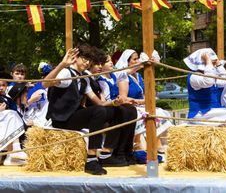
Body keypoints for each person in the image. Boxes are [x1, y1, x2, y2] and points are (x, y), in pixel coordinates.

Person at [43, 44, 125, 175]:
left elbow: (99, 103)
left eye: (89, 61)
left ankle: (110, 153)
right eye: (85, 59)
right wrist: (62, 64)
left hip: (74, 116)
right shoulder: (66, 73)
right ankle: (91, 159)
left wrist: (115, 103)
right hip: (62, 119)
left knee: (121, 111)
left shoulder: (84, 78)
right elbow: (45, 83)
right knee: (98, 111)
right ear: (75, 58)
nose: (87, 63)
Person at [115, 49, 172, 158]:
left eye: (138, 58)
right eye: (134, 59)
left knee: (160, 112)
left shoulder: (138, 76)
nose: (137, 61)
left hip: (140, 104)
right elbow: (124, 98)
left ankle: (156, 143)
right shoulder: (123, 75)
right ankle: (138, 146)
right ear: (127, 62)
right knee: (146, 113)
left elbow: (147, 94)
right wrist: (143, 101)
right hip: (130, 106)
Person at [184, 48, 226, 118]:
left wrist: (218, 64)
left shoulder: (209, 74)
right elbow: (209, 81)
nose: (212, 65)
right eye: (212, 62)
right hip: (200, 114)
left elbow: (225, 81)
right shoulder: (194, 76)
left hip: (213, 112)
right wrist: (208, 60)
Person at [0, 74, 28, 166]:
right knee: (11, 115)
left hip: (6, 125)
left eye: (3, 85)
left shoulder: (8, 99)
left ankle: (10, 157)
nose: (1, 88)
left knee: (13, 115)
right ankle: (16, 149)